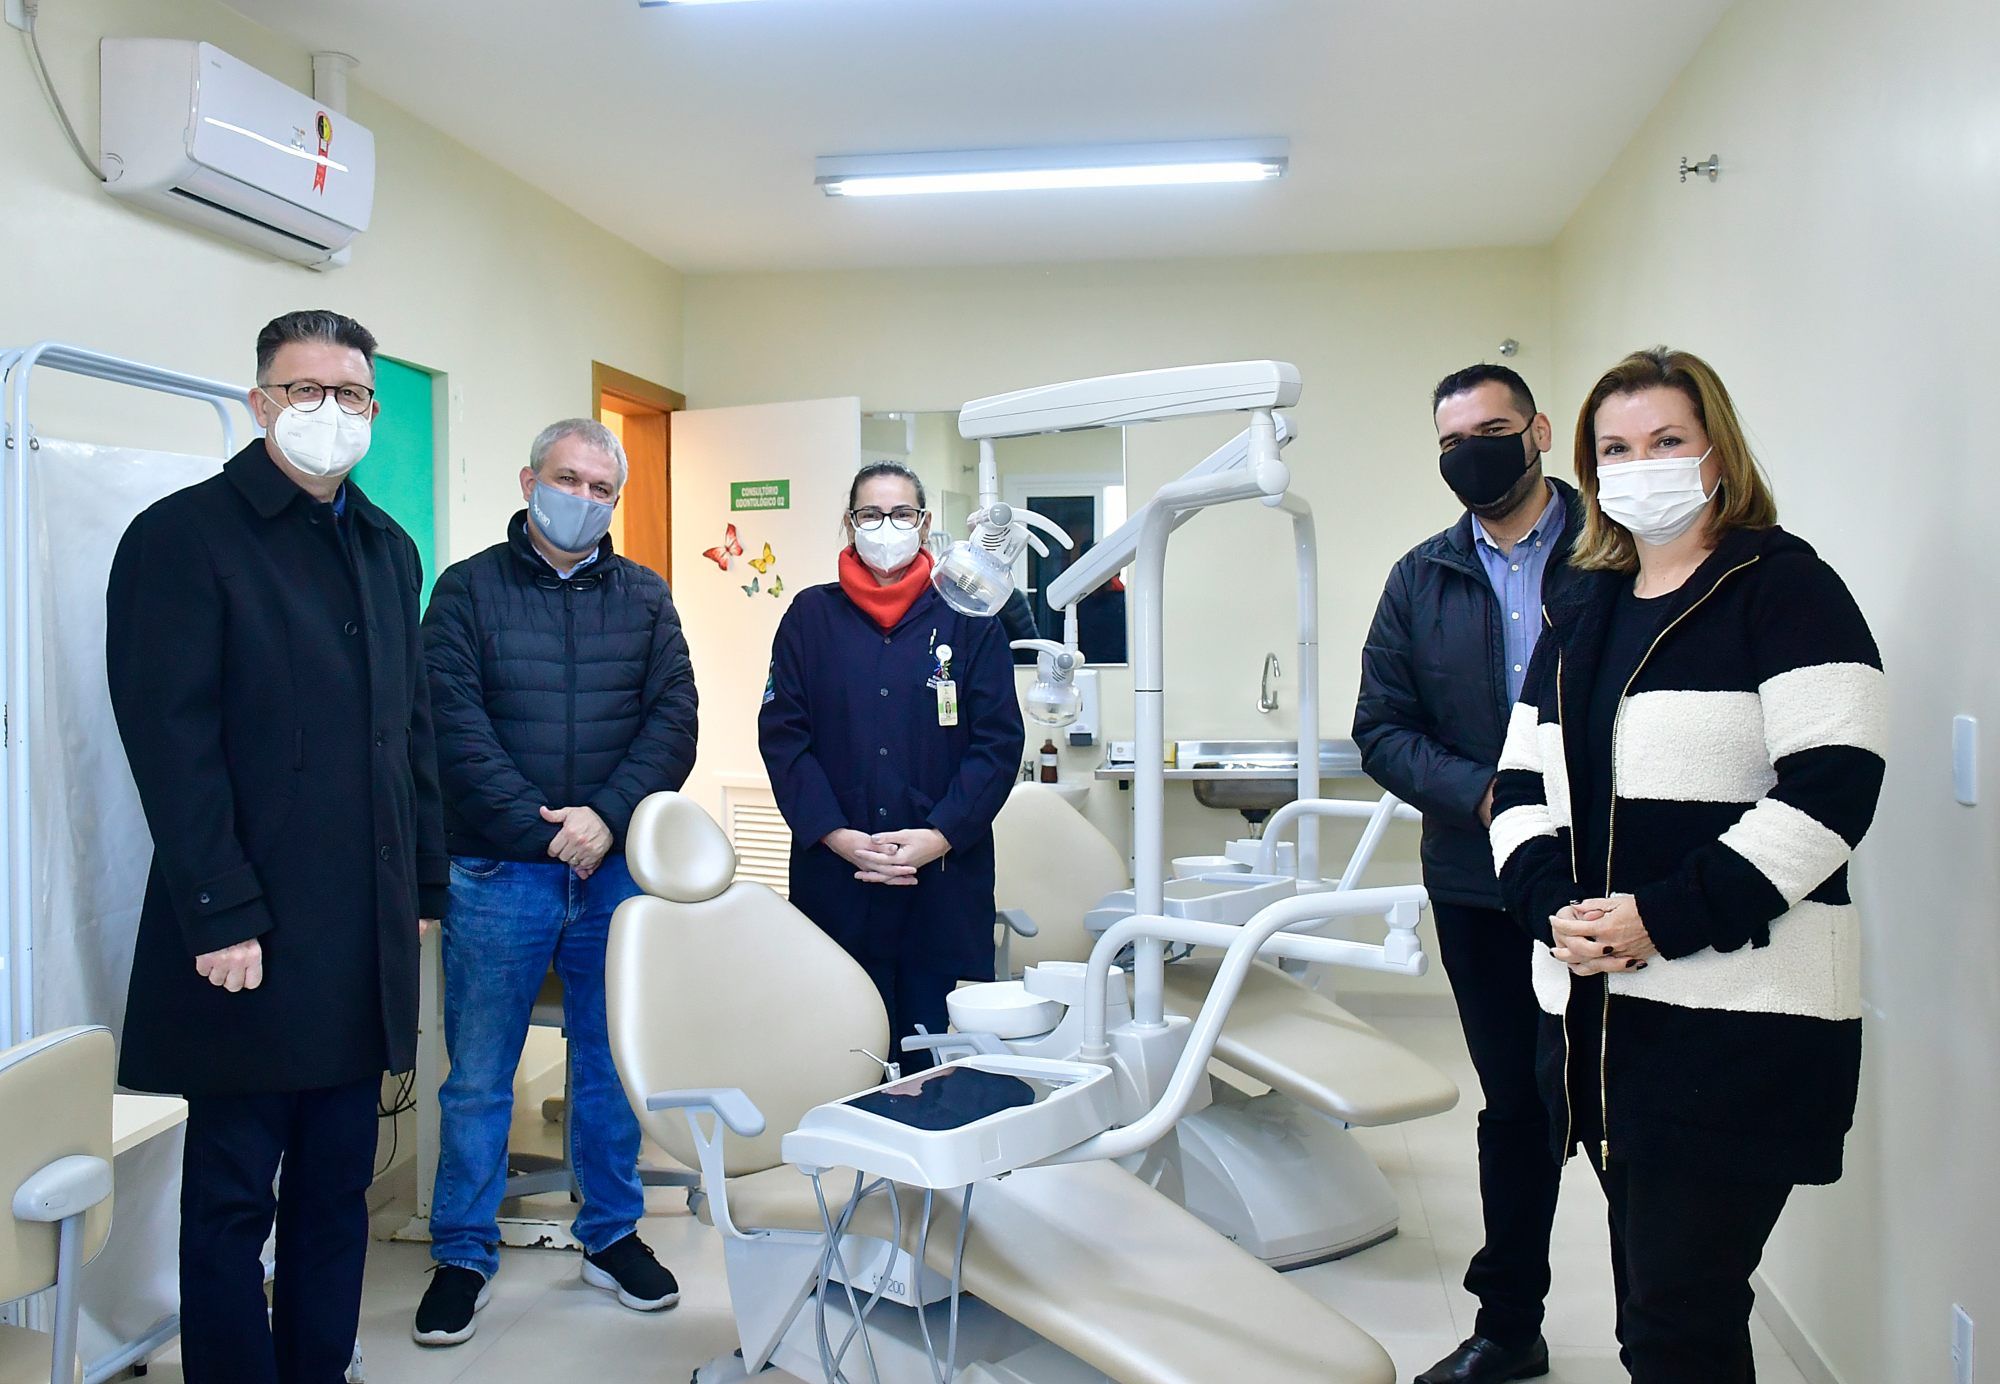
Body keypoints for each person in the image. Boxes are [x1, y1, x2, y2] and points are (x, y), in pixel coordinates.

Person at [1491, 348, 1886, 1383]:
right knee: (1658, 1316)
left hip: (1735, 1027)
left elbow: (1832, 787)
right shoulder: (1583, 605)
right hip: (1603, 1026)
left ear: (1717, 453)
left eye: (1666, 440)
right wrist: (1548, 905)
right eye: (1615, 449)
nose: (1640, 466)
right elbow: (1519, 781)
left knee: (1678, 1322)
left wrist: (1661, 918)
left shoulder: (1785, 589)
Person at [106, 310, 446, 1384]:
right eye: (305, 391)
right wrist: (220, 911)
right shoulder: (182, 537)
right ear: (261, 403)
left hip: (360, 935)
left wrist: (422, 886)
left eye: (350, 394)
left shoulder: (388, 548)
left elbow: (412, 735)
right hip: (247, 935)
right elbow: (171, 743)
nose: (329, 411)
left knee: (337, 1189)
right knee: (231, 1198)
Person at [415, 418, 698, 1345]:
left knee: (609, 1066)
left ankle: (610, 1234)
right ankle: (462, 1251)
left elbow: (674, 720)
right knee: (479, 1074)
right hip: (498, 870)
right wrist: (548, 831)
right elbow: (450, 727)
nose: (582, 499)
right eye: (567, 479)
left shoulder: (645, 596)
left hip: (613, 874)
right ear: (529, 480)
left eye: (600, 488)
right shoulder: (467, 591)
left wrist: (604, 819)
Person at [1353, 362, 1581, 1384]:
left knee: (1618, 1107)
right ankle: (1509, 1326)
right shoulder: (1421, 578)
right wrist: (1489, 795)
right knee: (1515, 1105)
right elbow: (1380, 728)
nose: (1470, 454)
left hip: (1607, 876)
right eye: (1451, 442)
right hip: (1479, 880)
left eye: (1490, 431)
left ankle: (1667, 1333)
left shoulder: (1613, 553)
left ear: (1538, 430)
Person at [759, 462, 1024, 1063]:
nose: (886, 526)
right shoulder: (809, 618)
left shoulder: (970, 617)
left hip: (942, 882)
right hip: (838, 879)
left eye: (901, 513)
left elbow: (998, 743)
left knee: (937, 1059)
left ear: (924, 524)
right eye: (871, 514)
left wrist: (940, 835)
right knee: (843, 1053)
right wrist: (835, 834)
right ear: (849, 523)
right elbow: (783, 737)